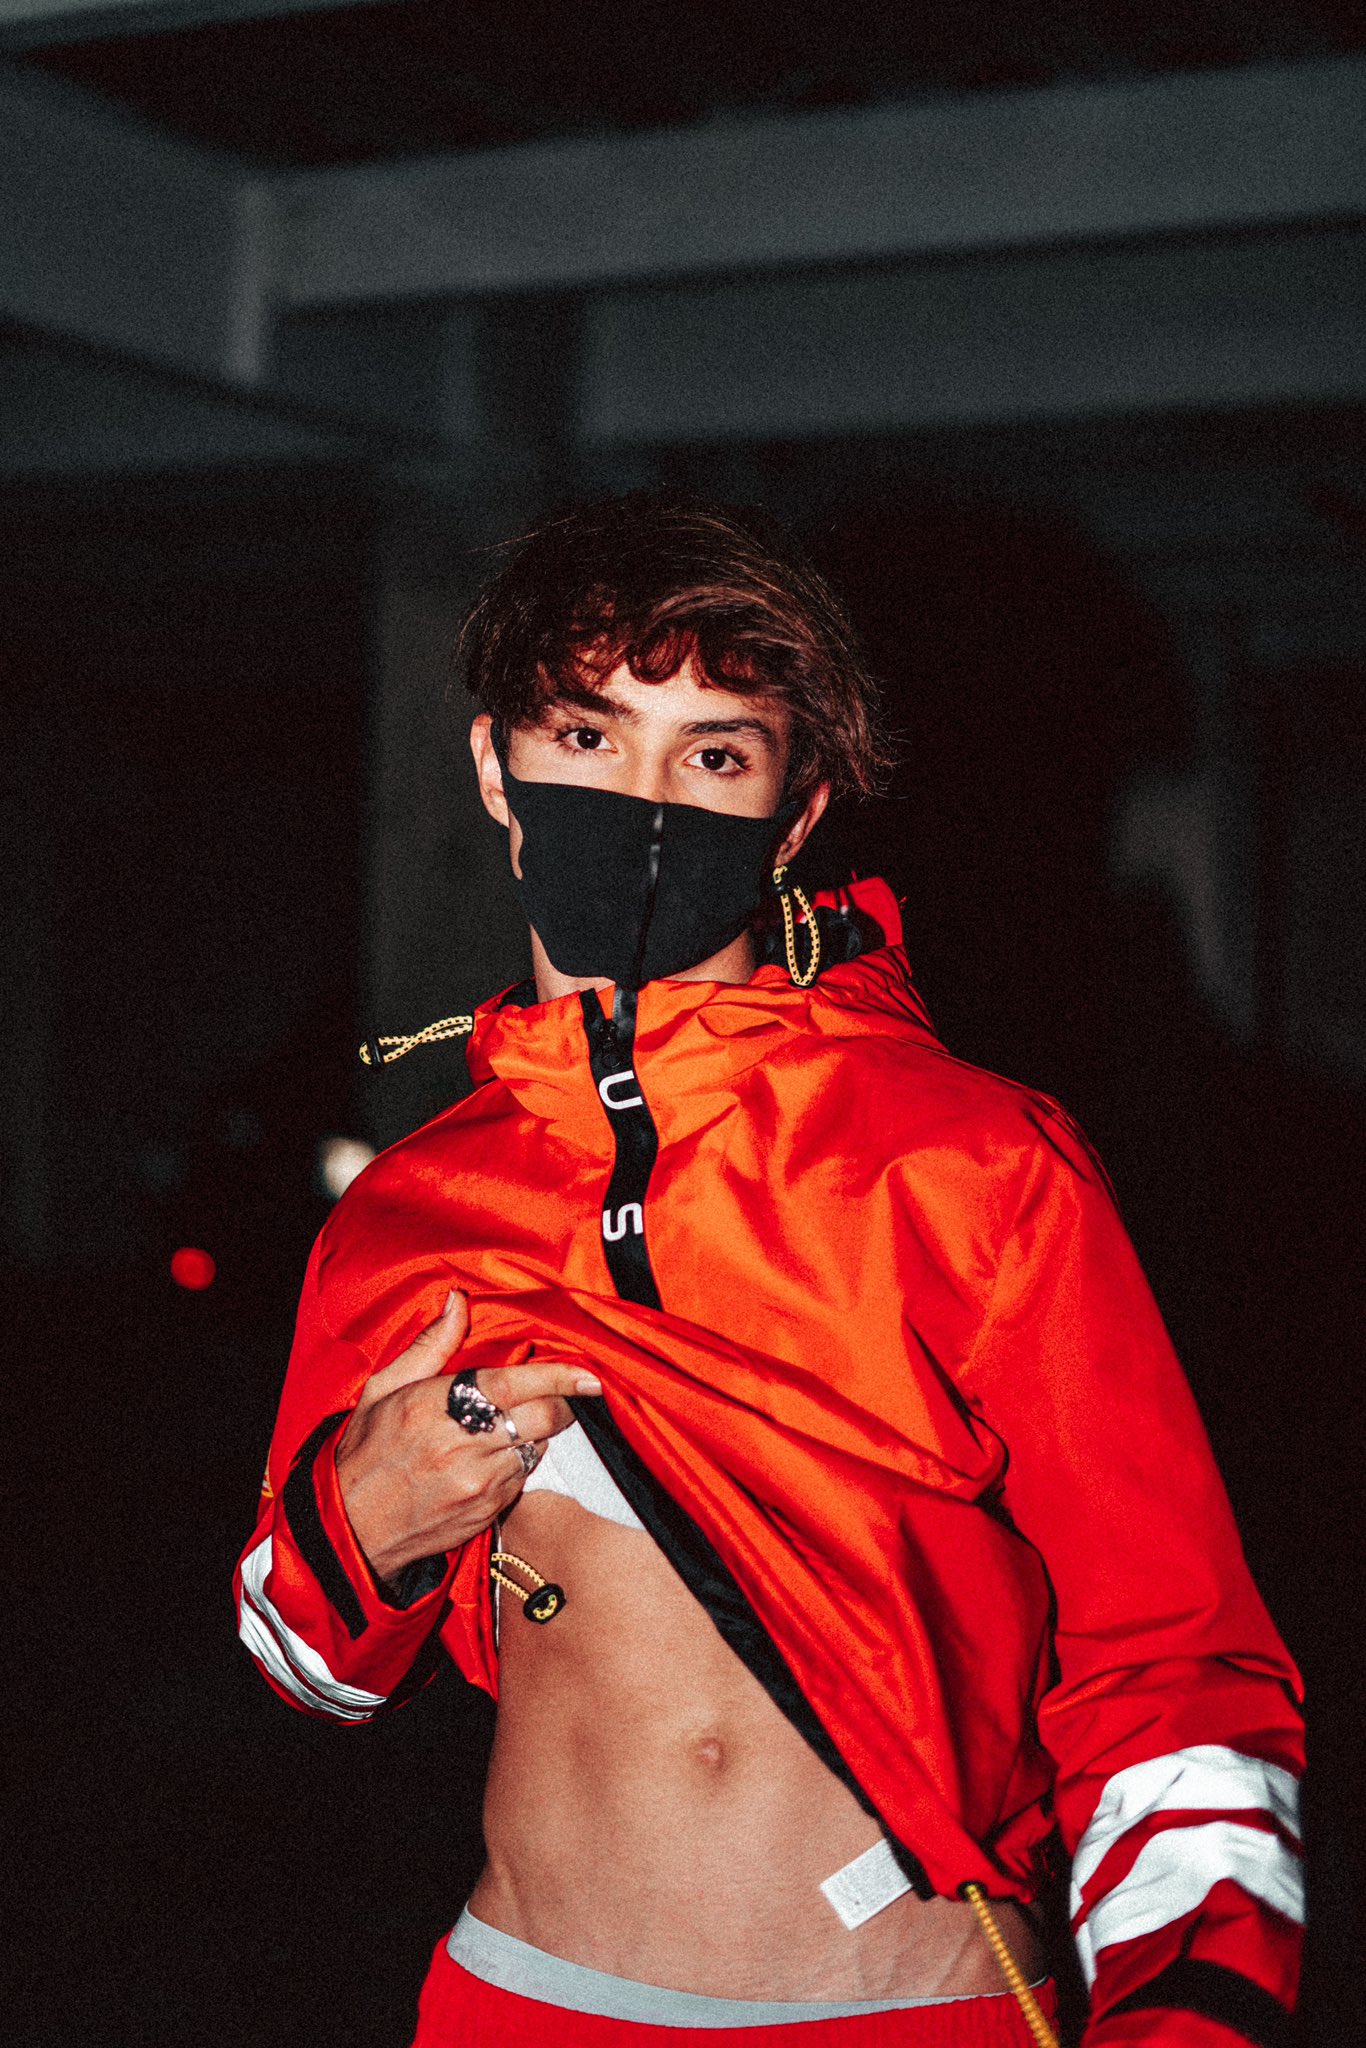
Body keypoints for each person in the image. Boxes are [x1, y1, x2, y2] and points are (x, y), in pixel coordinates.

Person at [234, 495, 1304, 2047]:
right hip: (519, 2005)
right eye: (588, 737)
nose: (643, 801)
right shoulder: (411, 1210)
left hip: (908, 2008)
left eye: (713, 755)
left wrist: (1188, 2016)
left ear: (794, 813)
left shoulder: (969, 1161)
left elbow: (1167, 1660)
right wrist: (366, 1516)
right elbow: (307, 1665)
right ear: (493, 768)